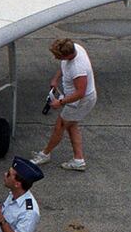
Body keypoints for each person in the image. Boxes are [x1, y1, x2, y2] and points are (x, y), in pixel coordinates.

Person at [30, 37, 95, 171]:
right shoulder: (75, 48)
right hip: (75, 100)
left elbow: (80, 92)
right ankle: (79, 159)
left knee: (60, 126)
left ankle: (45, 154)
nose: (56, 58)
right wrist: (56, 78)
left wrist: (60, 102)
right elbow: (63, 66)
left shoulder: (78, 68)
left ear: (68, 55)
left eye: (58, 56)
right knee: (72, 126)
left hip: (79, 102)